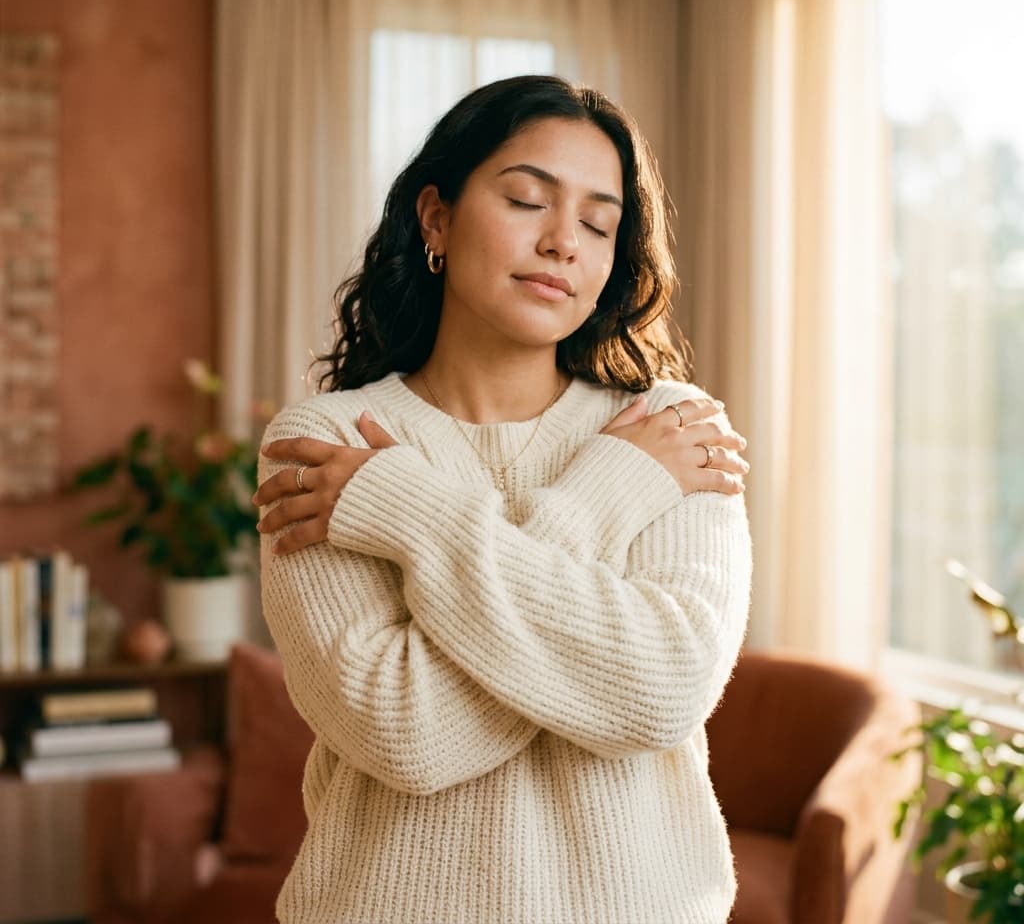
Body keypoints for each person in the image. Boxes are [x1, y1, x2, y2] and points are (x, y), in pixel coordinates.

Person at [252, 75, 752, 924]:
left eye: (598, 224)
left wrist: (408, 509)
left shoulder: (671, 429)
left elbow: (662, 692)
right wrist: (608, 494)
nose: (563, 242)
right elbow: (405, 733)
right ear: (436, 218)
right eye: (527, 200)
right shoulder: (326, 442)